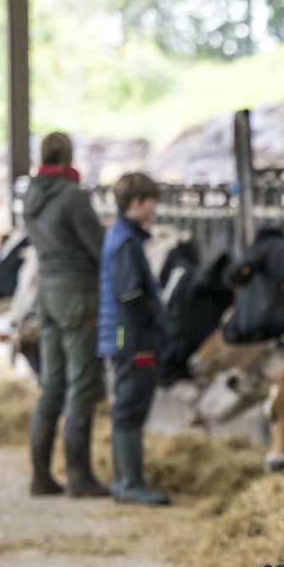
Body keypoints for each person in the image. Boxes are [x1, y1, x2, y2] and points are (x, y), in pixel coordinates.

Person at [21, 132, 108, 497]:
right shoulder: (73, 196)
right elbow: (98, 247)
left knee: (52, 385)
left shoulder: (30, 196)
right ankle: (79, 477)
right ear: (69, 156)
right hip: (78, 295)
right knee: (82, 384)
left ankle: (41, 476)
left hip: (47, 294)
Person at [97, 172, 170, 506]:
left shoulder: (124, 236)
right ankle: (128, 483)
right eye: (151, 201)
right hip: (132, 338)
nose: (154, 209)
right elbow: (130, 294)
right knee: (129, 407)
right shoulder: (126, 241)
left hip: (126, 335)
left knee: (129, 407)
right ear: (136, 202)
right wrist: (154, 324)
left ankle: (130, 479)